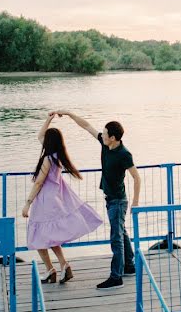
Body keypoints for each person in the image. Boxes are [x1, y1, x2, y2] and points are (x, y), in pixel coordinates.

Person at [56, 110, 141, 290]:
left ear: (113, 137)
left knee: (116, 238)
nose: (101, 135)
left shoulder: (124, 154)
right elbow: (87, 126)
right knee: (121, 231)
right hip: (110, 199)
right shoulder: (105, 145)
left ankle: (116, 277)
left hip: (118, 201)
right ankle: (130, 265)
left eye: (105, 133)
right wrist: (69, 114)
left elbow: (136, 177)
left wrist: (135, 202)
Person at [22, 112, 103, 284]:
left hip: (44, 202)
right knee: (49, 236)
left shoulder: (47, 159)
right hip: (55, 199)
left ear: (48, 142)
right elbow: (40, 135)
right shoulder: (57, 156)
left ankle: (51, 269)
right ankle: (63, 266)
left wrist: (27, 204)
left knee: (37, 236)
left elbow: (38, 183)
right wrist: (49, 119)